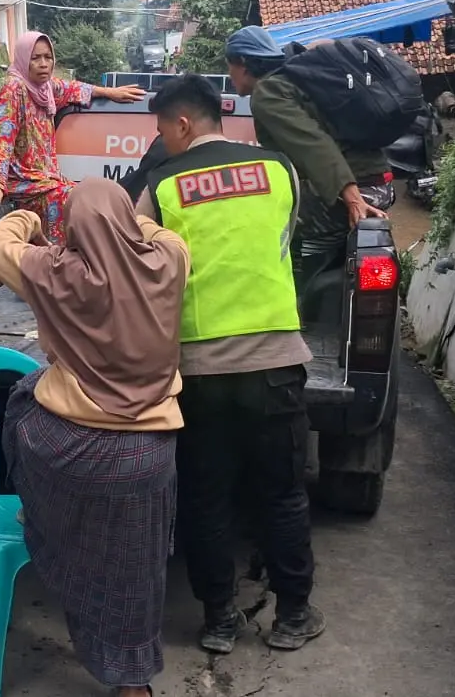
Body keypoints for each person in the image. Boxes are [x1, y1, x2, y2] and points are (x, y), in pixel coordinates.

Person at [133, 74, 326, 654]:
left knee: (205, 497)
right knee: (283, 493)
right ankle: (293, 615)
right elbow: (286, 240)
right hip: (274, 362)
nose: (162, 139)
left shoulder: (162, 184)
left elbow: (141, 265)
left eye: (163, 128)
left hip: (199, 372)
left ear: (183, 123)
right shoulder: (278, 169)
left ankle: (219, 619)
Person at [0, 177, 190, 697]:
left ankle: (38, 508)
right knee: (135, 572)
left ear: (71, 230)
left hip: (77, 449)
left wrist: (28, 217)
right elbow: (155, 230)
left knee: (24, 399)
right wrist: (123, 218)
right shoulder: (170, 261)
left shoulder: (54, 270)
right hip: (149, 454)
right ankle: (133, 682)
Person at [0, 30, 146, 244]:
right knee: (68, 197)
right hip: (24, 180)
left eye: (48, 57)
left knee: (85, 196)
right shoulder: (14, 89)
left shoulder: (46, 88)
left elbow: (72, 88)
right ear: (24, 59)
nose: (43, 64)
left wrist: (108, 93)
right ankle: (60, 260)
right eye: (35, 58)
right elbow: (0, 139)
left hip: (46, 178)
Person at [224, 26, 391, 235]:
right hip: (377, 184)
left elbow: (312, 143)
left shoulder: (267, 92)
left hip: (356, 191)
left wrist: (353, 199)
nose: (229, 74)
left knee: (245, 216)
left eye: (229, 65)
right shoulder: (293, 82)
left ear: (243, 64)